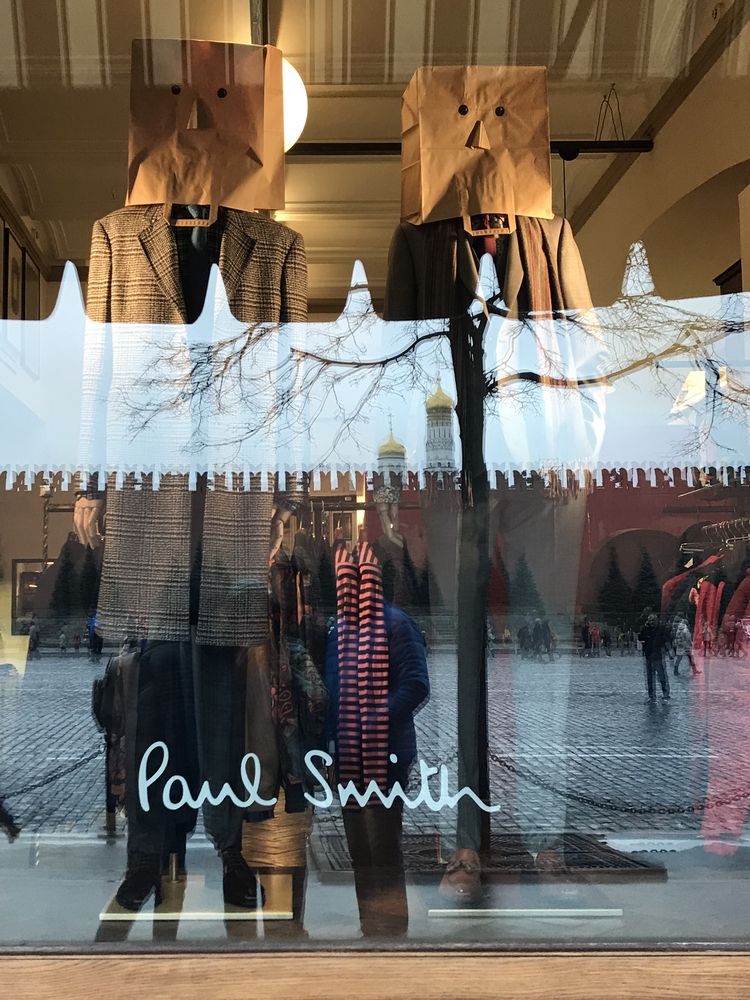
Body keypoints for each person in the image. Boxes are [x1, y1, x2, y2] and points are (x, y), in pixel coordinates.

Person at [639, 612, 670, 702]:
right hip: (648, 655)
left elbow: (665, 639)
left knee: (661, 675)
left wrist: (667, 650)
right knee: (649, 677)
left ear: (656, 620)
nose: (651, 622)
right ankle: (651, 695)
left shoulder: (661, 629)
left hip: (658, 655)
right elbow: (640, 638)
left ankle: (665, 693)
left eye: (653, 620)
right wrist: (644, 628)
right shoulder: (645, 629)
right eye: (650, 620)